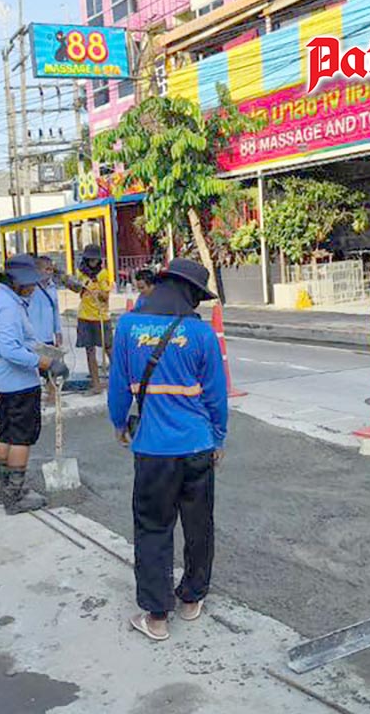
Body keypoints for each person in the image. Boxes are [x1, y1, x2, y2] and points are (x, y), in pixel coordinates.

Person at [108, 258, 228, 642]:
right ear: (190, 294)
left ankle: (157, 616)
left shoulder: (127, 327)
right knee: (198, 524)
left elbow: (118, 385)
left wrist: (118, 422)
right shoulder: (202, 334)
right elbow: (216, 394)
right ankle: (192, 598)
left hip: (153, 450)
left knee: (153, 528)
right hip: (197, 446)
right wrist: (219, 437)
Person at [0, 254, 69, 515]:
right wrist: (46, 363)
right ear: (15, 281)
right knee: (22, 436)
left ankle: (4, 488)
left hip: (3, 377)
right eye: (29, 283)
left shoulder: (2, 298)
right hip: (16, 379)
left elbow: (23, 341)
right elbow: (11, 349)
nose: (33, 287)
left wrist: (46, 352)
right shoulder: (8, 307)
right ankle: (14, 494)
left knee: (7, 431)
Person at [76, 244, 112, 394]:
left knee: (109, 349)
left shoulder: (103, 274)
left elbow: (105, 297)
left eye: (95, 259)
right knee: (89, 350)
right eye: (90, 259)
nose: (93, 262)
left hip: (101, 316)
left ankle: (120, 380)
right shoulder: (80, 273)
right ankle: (96, 384)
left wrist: (97, 288)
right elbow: (77, 289)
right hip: (85, 316)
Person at [29, 256, 64, 405]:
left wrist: (58, 331)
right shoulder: (30, 288)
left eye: (51, 269)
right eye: (46, 269)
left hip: (47, 334)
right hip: (33, 335)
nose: (49, 272)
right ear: (37, 270)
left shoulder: (52, 287)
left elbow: (55, 310)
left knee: (51, 366)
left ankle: (52, 396)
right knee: (33, 367)